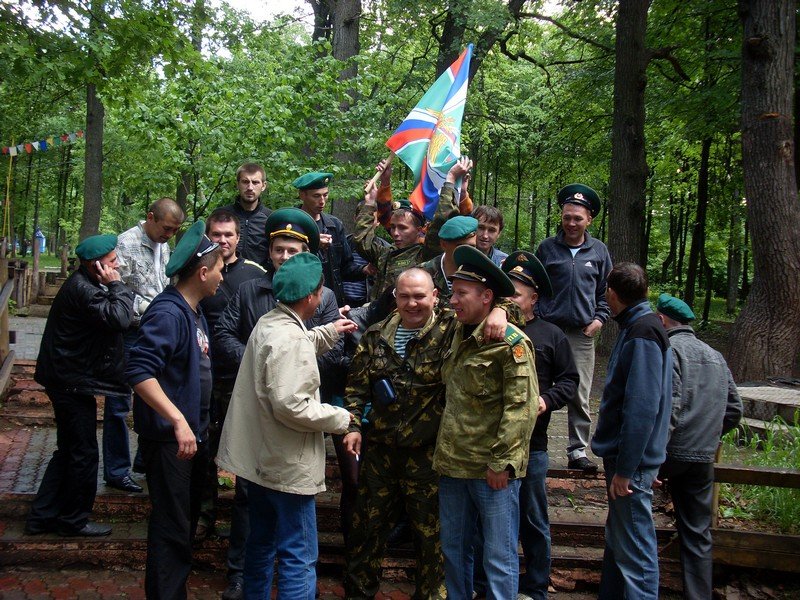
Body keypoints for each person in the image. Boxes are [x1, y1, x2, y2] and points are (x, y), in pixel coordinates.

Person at [212, 208, 346, 600]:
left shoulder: (271, 321)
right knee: (298, 555)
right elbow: (292, 406)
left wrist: (331, 332)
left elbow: (294, 342)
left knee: (261, 543)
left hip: (261, 462)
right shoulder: (288, 338)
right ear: (312, 296)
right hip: (287, 467)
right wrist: (342, 418)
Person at [433, 245, 538, 599]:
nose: (453, 300)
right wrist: (501, 308)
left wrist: (502, 463)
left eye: (461, 294)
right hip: (453, 466)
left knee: (498, 556)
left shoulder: (511, 344)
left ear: (486, 297)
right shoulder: (456, 330)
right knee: (454, 551)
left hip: (491, 471)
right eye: (453, 292)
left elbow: (520, 409)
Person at [127, 221, 223, 600]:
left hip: (189, 439)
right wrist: (179, 420)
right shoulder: (167, 313)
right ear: (202, 272)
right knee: (170, 530)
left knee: (181, 528)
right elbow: (138, 370)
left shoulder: (193, 311)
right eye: (217, 269)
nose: (221, 276)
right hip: (169, 442)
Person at [25, 235, 134, 537]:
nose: (117, 266)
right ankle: (73, 520)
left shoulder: (84, 284)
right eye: (112, 262)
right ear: (95, 264)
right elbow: (120, 318)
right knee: (84, 453)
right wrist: (117, 286)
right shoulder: (83, 289)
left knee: (68, 450)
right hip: (69, 381)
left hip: (67, 378)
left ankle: (42, 516)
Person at [590, 262, 672, 600]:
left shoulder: (642, 332)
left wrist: (629, 468)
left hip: (630, 465)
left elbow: (642, 407)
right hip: (632, 460)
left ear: (611, 292)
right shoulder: (637, 325)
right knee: (620, 541)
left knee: (636, 550)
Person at [655, 293, 742, 600]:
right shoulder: (716, 355)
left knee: (635, 518)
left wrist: (656, 458)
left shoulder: (669, 350)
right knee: (697, 532)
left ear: (663, 320)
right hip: (703, 456)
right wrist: (709, 437)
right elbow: (734, 410)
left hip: (673, 454)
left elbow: (671, 408)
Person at [502, 251, 578, 600]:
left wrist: (545, 400)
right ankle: (487, 585)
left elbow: (569, 381)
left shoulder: (551, 335)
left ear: (534, 298)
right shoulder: (486, 330)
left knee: (533, 521)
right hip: (490, 445)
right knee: (490, 523)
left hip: (533, 446)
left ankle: (535, 588)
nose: (509, 299)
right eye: (505, 291)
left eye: (516, 293)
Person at [195, 208, 265, 541]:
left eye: (228, 235)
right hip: (207, 377)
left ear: (239, 238)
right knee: (203, 448)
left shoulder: (255, 275)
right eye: (216, 235)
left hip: (243, 377)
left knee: (243, 454)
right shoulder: (197, 271)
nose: (222, 241)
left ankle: (243, 527)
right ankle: (203, 517)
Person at [107, 197, 185, 493]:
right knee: (118, 403)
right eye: (166, 228)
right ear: (150, 217)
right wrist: (152, 309)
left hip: (156, 331)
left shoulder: (165, 245)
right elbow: (118, 291)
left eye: (174, 231)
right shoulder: (125, 244)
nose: (169, 235)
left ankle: (144, 459)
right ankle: (116, 470)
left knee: (152, 398)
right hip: (130, 332)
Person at [535, 183, 612, 472]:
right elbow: (535, 286)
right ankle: (533, 443)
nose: (571, 223)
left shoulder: (599, 251)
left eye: (577, 218)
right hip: (548, 332)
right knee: (540, 387)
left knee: (579, 393)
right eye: (567, 217)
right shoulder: (547, 248)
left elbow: (605, 291)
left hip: (581, 334)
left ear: (589, 219)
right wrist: (540, 317)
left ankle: (577, 450)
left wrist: (599, 320)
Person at [352, 157, 468, 324]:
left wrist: (449, 183)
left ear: (419, 230)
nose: (395, 233)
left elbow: (441, 221)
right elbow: (362, 240)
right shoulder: (386, 252)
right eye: (393, 227)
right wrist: (370, 203)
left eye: (403, 228)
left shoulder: (425, 255)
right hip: (379, 324)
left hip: (409, 322)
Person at [294, 171, 367, 307]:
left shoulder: (334, 225)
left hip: (330, 301)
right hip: (300, 298)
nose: (322, 201)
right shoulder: (291, 223)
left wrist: (364, 270)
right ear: (302, 195)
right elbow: (283, 261)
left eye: (325, 195)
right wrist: (312, 244)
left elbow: (346, 268)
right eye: (316, 196)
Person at [219, 162, 272, 267]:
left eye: (255, 182)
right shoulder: (221, 215)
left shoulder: (271, 218)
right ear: (237, 184)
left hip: (260, 278)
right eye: (245, 182)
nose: (250, 187)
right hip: (224, 276)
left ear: (263, 186)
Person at [419, 215, 478, 302]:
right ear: (443, 245)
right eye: (461, 247)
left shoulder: (481, 274)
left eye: (472, 247)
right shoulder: (422, 274)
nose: (468, 252)